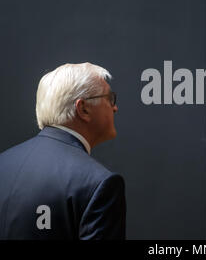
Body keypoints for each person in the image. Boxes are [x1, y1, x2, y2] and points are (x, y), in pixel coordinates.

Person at [0, 63, 126, 239]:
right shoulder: (97, 184)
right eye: (110, 98)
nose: (115, 107)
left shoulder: (3, 163)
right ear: (83, 108)